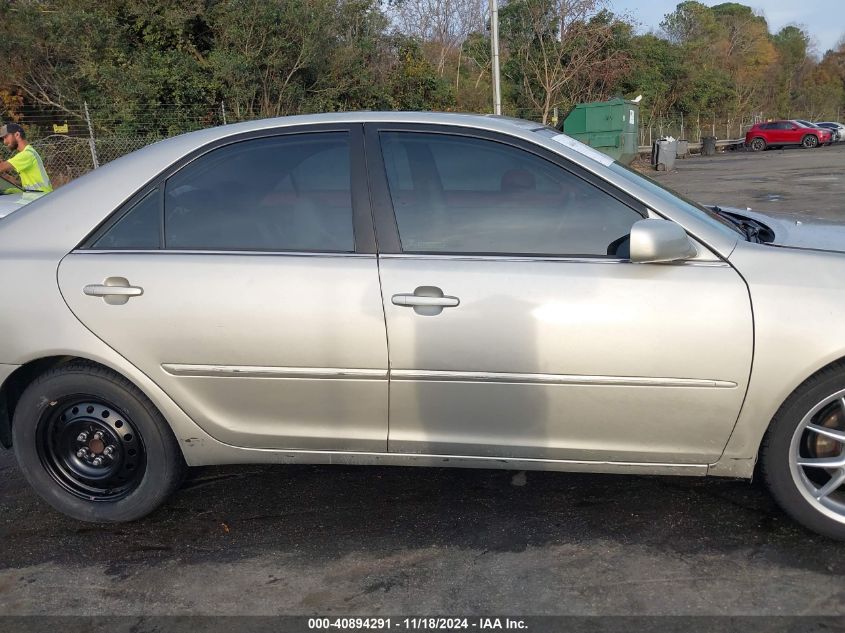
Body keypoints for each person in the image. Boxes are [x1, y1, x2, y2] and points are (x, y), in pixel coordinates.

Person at [0, 123, 52, 193]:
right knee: (9, 191)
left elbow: (1, 167)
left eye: (6, 137)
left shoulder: (27, 154)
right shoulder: (29, 152)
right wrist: (10, 179)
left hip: (41, 198)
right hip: (38, 195)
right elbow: (30, 182)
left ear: (17, 135)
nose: (5, 142)